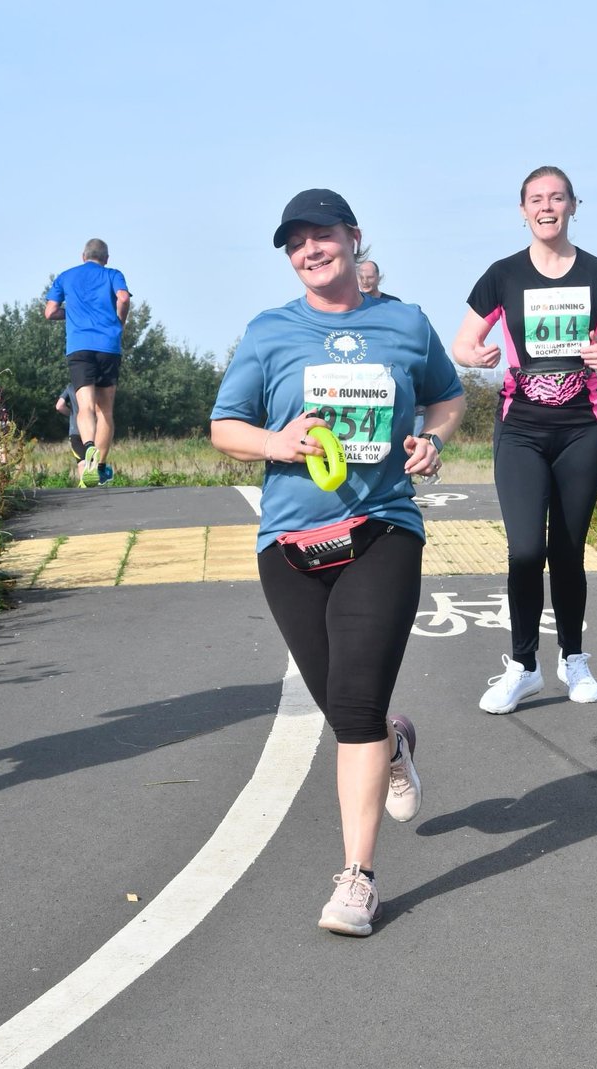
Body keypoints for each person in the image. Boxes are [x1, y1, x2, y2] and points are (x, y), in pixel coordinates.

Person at [211, 188, 465, 936]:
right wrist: (276, 443)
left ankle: (357, 878)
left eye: (322, 235)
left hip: (381, 529)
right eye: (296, 243)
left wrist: (434, 439)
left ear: (354, 239)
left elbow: (446, 399)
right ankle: (394, 741)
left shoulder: (404, 323)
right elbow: (225, 426)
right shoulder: (269, 332)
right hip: (289, 545)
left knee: (351, 708)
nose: (310, 250)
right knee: (341, 705)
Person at [452, 165, 597, 715]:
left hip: (582, 428)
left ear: (575, 205)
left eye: (558, 197)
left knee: (568, 550)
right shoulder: (503, 275)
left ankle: (573, 658)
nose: (547, 206)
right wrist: (474, 355)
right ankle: (523, 666)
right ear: (523, 210)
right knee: (526, 550)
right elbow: (464, 341)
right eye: (537, 198)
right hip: (523, 430)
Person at [44, 238, 130, 487]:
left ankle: (88, 447)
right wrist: (119, 322)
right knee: (106, 411)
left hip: (79, 348)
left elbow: (50, 312)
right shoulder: (113, 274)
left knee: (85, 407)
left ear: (83, 256)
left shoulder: (65, 276)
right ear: (106, 258)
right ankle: (100, 466)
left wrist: (70, 313)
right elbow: (123, 298)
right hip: (108, 347)